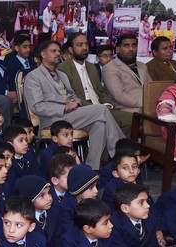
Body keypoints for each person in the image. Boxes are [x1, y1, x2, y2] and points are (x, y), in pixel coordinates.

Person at [24, 40, 124, 170]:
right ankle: (122, 153)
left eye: (59, 51)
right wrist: (64, 108)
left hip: (71, 115)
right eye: (53, 51)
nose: (58, 53)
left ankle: (91, 168)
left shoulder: (62, 74)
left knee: (100, 124)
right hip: (52, 121)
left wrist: (76, 102)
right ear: (43, 54)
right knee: (102, 109)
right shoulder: (33, 76)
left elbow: (73, 95)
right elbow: (37, 106)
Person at [57, 33, 133, 137]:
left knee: (130, 119)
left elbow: (100, 91)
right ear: (71, 49)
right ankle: (118, 146)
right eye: (80, 45)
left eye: (86, 44)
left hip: (101, 106)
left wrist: (107, 104)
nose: (84, 48)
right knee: (103, 123)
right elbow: (71, 97)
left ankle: (120, 146)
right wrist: (97, 107)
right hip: (82, 110)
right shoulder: (63, 68)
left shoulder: (92, 67)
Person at [102, 34, 151, 113]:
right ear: (118, 49)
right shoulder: (110, 68)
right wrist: (144, 103)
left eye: (134, 45)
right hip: (127, 110)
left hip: (148, 108)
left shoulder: (142, 66)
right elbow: (120, 96)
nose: (131, 49)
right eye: (126, 46)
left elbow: (151, 87)